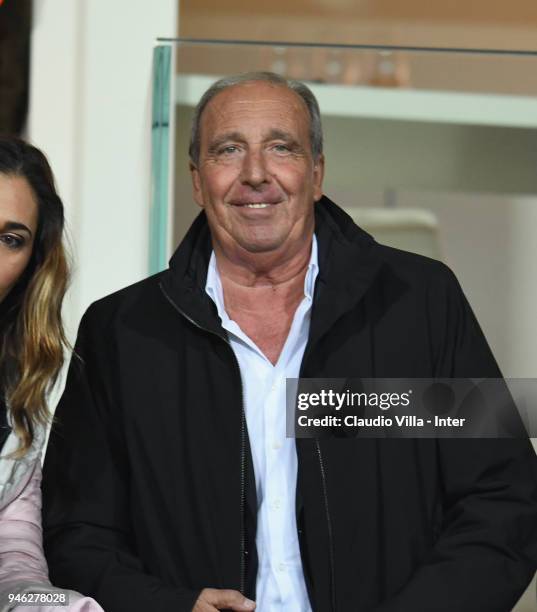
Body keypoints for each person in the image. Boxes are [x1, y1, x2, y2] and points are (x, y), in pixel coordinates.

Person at [42, 73, 537, 612]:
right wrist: (168, 605)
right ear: (196, 180)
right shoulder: (122, 333)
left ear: (316, 172)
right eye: (228, 150)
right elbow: (78, 532)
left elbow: (504, 499)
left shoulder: (419, 304)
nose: (256, 174)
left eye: (281, 148)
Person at [0, 136, 104, 612]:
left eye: (10, 239)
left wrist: (50, 603)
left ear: (33, 262)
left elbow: (12, 552)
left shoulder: (21, 386)